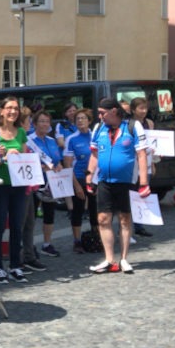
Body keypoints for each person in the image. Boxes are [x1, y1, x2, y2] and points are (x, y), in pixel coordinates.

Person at [85, 98, 150, 274]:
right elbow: (94, 154)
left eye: (102, 113)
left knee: (124, 219)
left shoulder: (133, 126)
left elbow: (142, 154)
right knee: (103, 219)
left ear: (113, 111)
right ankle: (109, 260)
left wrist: (144, 183)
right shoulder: (98, 128)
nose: (99, 116)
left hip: (126, 182)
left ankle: (124, 259)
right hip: (104, 181)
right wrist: (89, 177)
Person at [0, 97, 29, 284]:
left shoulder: (21, 133)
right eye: (9, 108)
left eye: (16, 108)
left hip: (18, 184)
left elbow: (26, 159)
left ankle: (15, 265)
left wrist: (18, 156)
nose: (13, 112)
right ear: (1, 111)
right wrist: (2, 157)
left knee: (17, 226)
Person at [27, 110, 64, 258]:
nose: (45, 124)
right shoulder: (29, 141)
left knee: (50, 214)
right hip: (34, 183)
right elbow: (26, 162)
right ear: (35, 124)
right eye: (41, 121)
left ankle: (47, 244)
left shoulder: (51, 141)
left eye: (47, 121)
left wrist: (59, 166)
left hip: (50, 183)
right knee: (31, 217)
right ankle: (29, 245)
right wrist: (42, 167)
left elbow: (57, 160)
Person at [63, 108, 99, 253]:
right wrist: (76, 185)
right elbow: (67, 164)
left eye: (83, 118)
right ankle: (77, 241)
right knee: (78, 210)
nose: (80, 121)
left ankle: (96, 237)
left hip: (95, 178)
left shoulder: (96, 136)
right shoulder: (71, 139)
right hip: (79, 177)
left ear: (89, 121)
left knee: (95, 209)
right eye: (77, 119)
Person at [19, 107, 47, 274]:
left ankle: (29, 255)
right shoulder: (21, 138)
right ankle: (19, 258)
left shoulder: (27, 139)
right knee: (20, 223)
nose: (30, 123)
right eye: (28, 120)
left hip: (30, 186)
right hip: (20, 187)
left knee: (30, 222)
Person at [130, 97, 156, 236]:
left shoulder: (149, 123)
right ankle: (130, 225)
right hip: (134, 163)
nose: (144, 111)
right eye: (141, 108)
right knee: (133, 194)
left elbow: (153, 143)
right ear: (133, 110)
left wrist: (153, 162)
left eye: (145, 108)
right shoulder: (130, 124)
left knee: (143, 194)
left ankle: (140, 225)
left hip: (147, 161)